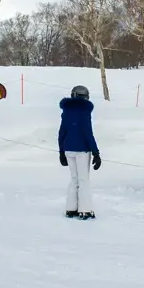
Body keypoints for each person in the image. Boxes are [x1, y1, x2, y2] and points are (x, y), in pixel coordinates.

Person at [59, 85, 102, 219]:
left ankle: (70, 209)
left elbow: (62, 133)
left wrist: (61, 152)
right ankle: (85, 210)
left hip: (68, 149)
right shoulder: (84, 111)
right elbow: (87, 133)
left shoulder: (66, 111)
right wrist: (96, 152)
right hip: (82, 150)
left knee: (74, 179)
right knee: (83, 180)